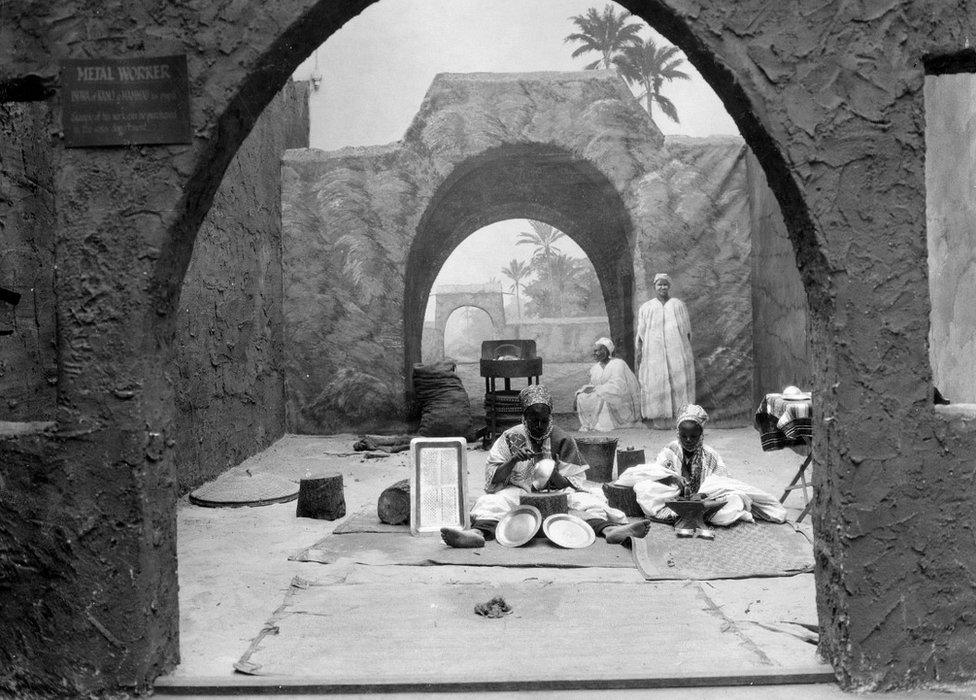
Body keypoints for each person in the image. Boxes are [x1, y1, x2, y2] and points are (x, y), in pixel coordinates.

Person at [441, 384, 649, 548]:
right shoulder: (511, 437)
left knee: (591, 501)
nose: (540, 426)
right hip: (518, 494)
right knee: (490, 502)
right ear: (524, 418)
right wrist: (514, 460)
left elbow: (576, 483)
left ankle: (610, 531)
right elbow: (492, 480)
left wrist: (554, 474)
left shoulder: (562, 439)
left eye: (544, 420)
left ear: (550, 416)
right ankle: (476, 535)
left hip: (559, 495)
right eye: (534, 421)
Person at [614, 404, 787, 537]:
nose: (688, 440)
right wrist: (672, 479)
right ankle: (678, 514)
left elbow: (722, 483)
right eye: (684, 436)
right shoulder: (671, 450)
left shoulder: (710, 455)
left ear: (701, 435)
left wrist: (703, 494)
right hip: (675, 498)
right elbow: (656, 472)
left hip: (705, 502)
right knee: (645, 488)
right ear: (677, 434)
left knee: (733, 501)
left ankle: (689, 516)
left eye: (693, 436)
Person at [635, 273, 695, 426]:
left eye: (665, 284)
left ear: (669, 286)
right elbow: (641, 333)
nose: (662, 287)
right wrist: (640, 351)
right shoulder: (647, 307)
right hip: (654, 352)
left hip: (676, 349)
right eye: (659, 284)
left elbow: (686, 330)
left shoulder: (678, 305)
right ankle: (659, 420)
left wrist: (686, 353)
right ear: (654, 287)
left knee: (677, 380)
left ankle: (679, 419)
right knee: (656, 380)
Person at [575, 337, 642, 431]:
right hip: (602, 392)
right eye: (594, 351)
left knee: (600, 395)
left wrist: (597, 389)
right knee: (581, 397)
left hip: (619, 398)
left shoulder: (618, 364)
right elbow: (593, 384)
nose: (594, 354)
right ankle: (591, 424)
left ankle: (604, 424)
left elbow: (619, 386)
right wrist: (582, 391)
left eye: (596, 351)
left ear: (605, 351)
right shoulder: (595, 368)